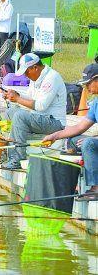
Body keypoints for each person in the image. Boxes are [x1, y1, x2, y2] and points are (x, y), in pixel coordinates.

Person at [43, 64, 97, 201]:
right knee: (72, 140)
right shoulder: (96, 103)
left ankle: (95, 187)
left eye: (88, 84)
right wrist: (55, 136)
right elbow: (79, 127)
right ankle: (75, 182)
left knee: (89, 143)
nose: (87, 89)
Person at [3, 53, 67, 169]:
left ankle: (17, 159)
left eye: (26, 72)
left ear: (35, 68)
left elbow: (40, 105)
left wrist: (17, 99)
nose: (26, 76)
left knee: (19, 116)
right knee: (10, 112)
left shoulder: (51, 78)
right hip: (40, 118)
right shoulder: (36, 77)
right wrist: (15, 94)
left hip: (55, 123)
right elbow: (30, 95)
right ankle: (9, 151)